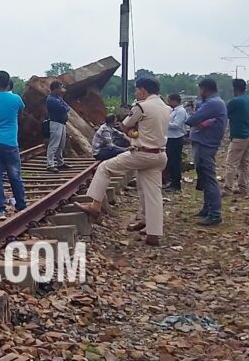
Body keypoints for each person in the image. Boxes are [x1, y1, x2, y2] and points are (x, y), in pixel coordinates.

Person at [80, 78, 170, 246]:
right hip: (160, 155)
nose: (136, 93)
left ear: (143, 91)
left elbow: (125, 125)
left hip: (142, 153)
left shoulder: (141, 106)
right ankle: (153, 233)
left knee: (104, 168)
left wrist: (131, 132)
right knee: (153, 194)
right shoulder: (166, 108)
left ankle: (95, 205)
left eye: (137, 90)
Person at [0, 71, 27, 219]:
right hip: (11, 142)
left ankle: (0, 210)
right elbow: (21, 115)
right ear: (8, 83)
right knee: (15, 175)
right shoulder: (16, 99)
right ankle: (21, 206)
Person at [186, 78, 228, 226]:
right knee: (203, 177)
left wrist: (195, 117)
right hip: (203, 142)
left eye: (200, 89)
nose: (199, 93)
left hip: (206, 144)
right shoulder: (211, 103)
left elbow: (192, 120)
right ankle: (207, 208)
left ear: (205, 89)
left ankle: (215, 214)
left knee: (209, 178)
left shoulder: (213, 103)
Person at [224, 79, 249, 196]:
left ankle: (228, 188)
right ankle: (243, 187)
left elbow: (225, 115)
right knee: (244, 164)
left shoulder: (234, 102)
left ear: (234, 88)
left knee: (231, 163)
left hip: (238, 136)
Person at [46, 81, 72, 173]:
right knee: (54, 145)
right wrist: (64, 107)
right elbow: (63, 108)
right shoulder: (51, 99)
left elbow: (67, 107)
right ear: (55, 88)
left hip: (62, 123)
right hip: (55, 123)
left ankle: (60, 162)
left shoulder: (58, 98)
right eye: (60, 88)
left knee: (61, 144)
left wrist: (64, 107)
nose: (61, 90)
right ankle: (50, 164)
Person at [164, 93, 188, 192]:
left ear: (175, 101)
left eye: (169, 101)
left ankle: (176, 184)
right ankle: (172, 182)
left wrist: (164, 122)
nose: (168, 103)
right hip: (170, 137)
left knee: (175, 161)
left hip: (176, 138)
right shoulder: (174, 111)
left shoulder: (181, 111)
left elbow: (176, 125)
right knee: (170, 161)